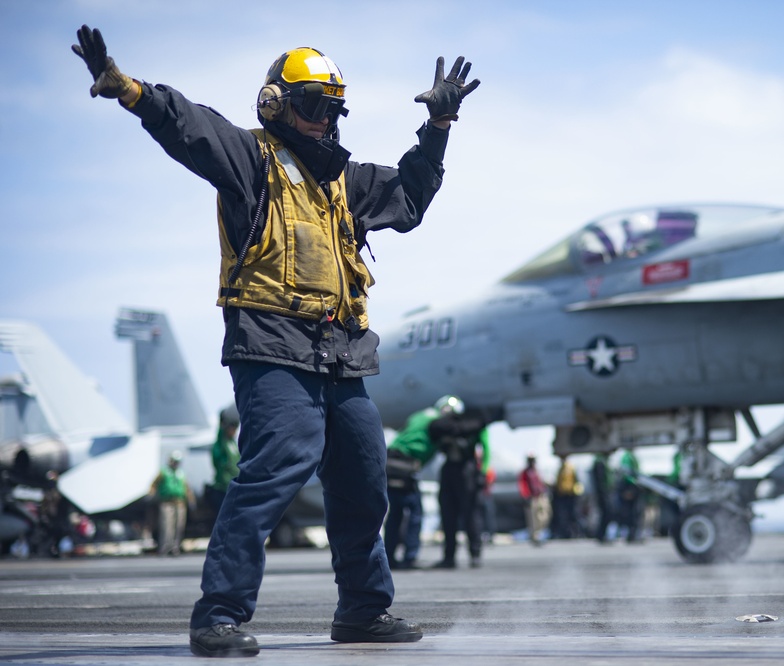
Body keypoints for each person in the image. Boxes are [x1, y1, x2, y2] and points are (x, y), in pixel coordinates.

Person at [72, 25, 479, 658]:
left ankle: (364, 611)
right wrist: (130, 90)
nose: (324, 121)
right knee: (274, 469)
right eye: (314, 105)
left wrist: (439, 128)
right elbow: (189, 127)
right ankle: (219, 616)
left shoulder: (347, 182)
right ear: (275, 104)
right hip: (271, 344)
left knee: (366, 478)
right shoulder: (251, 158)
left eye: (332, 108)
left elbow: (411, 196)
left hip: (341, 352)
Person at [383, 399, 447, 570]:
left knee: (395, 513)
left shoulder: (420, 416)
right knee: (415, 512)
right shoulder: (439, 423)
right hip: (406, 466)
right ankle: (409, 557)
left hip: (391, 462)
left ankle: (389, 557)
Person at [429, 396, 489, 569]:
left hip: (467, 470)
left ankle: (475, 553)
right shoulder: (440, 427)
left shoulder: (473, 424)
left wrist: (483, 471)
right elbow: (435, 430)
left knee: (471, 514)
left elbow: (486, 446)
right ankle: (449, 556)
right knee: (448, 515)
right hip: (450, 470)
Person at [149, 451, 196, 556]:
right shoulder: (164, 472)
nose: (175, 463)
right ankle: (165, 547)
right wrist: (152, 495)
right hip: (167, 502)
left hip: (180, 503)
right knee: (167, 526)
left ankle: (175, 547)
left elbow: (187, 487)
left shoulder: (181, 473)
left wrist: (191, 499)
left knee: (179, 526)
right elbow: (154, 484)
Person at [206, 406, 241, 515]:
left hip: (235, 488)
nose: (234, 430)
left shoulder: (233, 444)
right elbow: (219, 442)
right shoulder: (221, 444)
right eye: (232, 427)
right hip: (223, 489)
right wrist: (223, 421)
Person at [518, 454, 550, 545]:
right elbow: (522, 485)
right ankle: (535, 535)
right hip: (532, 497)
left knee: (544, 515)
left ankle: (541, 532)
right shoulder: (525, 472)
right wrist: (526, 496)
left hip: (541, 496)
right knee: (533, 518)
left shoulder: (537, 471)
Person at [616, 448, 644, 543]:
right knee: (630, 513)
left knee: (633, 513)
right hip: (629, 487)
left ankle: (632, 534)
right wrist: (631, 487)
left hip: (631, 486)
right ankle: (630, 535)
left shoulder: (630, 456)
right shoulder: (627, 457)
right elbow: (627, 474)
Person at [551, 455, 582, 539]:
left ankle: (576, 532)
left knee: (573, 514)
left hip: (570, 495)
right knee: (562, 516)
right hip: (561, 495)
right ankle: (565, 533)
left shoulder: (571, 468)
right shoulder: (560, 469)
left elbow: (577, 480)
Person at [590, 453, 614, 543]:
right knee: (606, 513)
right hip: (602, 493)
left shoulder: (602, 461)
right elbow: (600, 481)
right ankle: (601, 534)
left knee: (606, 513)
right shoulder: (599, 462)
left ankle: (602, 534)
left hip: (604, 493)